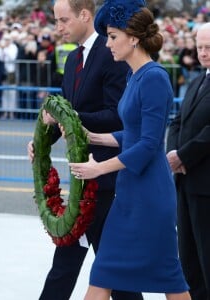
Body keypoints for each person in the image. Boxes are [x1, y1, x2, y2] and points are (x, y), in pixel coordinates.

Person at [68, 1, 191, 299]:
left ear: (133, 37)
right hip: (130, 193)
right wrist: (94, 136)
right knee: (103, 273)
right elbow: (132, 134)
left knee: (170, 280)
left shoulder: (154, 78)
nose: (108, 44)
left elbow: (149, 145)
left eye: (112, 36)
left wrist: (99, 168)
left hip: (150, 196)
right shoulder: (133, 76)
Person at [28, 0, 143, 299]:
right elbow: (67, 113)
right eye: (56, 21)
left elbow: (116, 116)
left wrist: (72, 119)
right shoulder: (71, 60)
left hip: (107, 180)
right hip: (82, 177)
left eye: (63, 20)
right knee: (70, 262)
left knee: (112, 268)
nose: (58, 28)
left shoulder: (112, 53)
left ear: (85, 15)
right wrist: (41, 142)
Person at [166, 22, 210, 300]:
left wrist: (183, 156)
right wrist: (173, 155)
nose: (203, 52)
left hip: (206, 187)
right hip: (186, 182)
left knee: (208, 259)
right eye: (201, 47)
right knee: (189, 260)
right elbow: (177, 123)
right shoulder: (197, 81)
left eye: (209, 47)